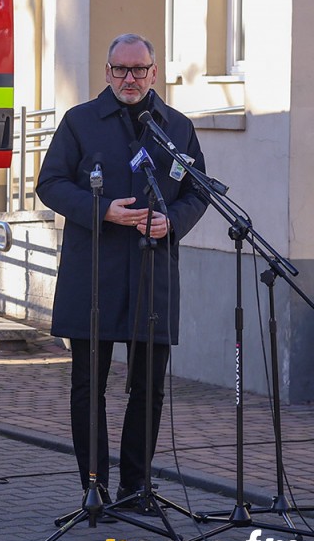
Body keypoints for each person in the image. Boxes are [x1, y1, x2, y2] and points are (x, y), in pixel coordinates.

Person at [36, 33, 208, 504]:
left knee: (148, 388)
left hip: (152, 275)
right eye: (120, 69)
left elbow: (198, 190)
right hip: (94, 274)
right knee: (88, 385)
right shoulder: (79, 122)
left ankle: (136, 485)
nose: (129, 79)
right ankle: (94, 487)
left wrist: (173, 221)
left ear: (154, 72)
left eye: (138, 70)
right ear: (107, 71)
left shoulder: (176, 127)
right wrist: (103, 210)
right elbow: (50, 184)